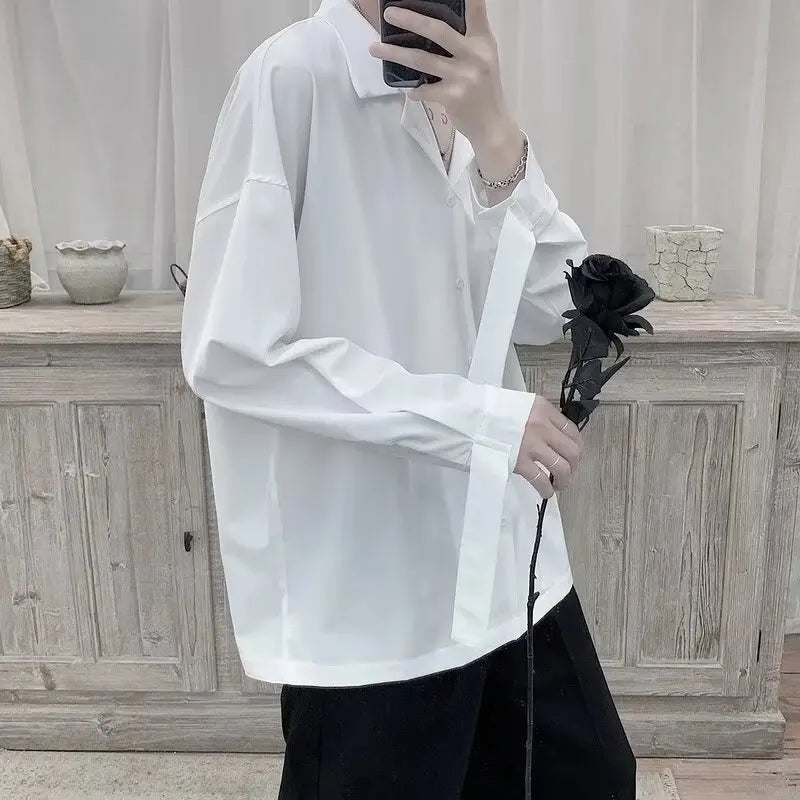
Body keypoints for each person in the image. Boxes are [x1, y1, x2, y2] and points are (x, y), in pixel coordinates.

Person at [180, 0, 636, 796]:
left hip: (504, 562)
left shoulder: (459, 98)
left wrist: (497, 133)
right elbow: (233, 347)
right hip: (372, 590)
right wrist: (477, 422)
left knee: (589, 776)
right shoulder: (291, 77)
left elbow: (546, 307)